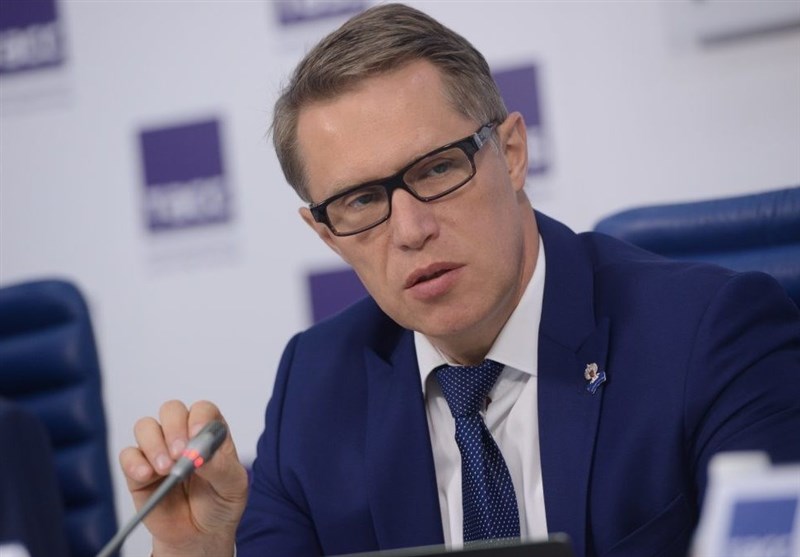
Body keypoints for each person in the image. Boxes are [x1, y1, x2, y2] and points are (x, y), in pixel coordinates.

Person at [119, 4, 800, 557]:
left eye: (438, 168)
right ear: (326, 234)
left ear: (512, 153)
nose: (410, 228)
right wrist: (198, 551)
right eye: (361, 200)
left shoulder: (709, 335)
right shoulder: (316, 388)